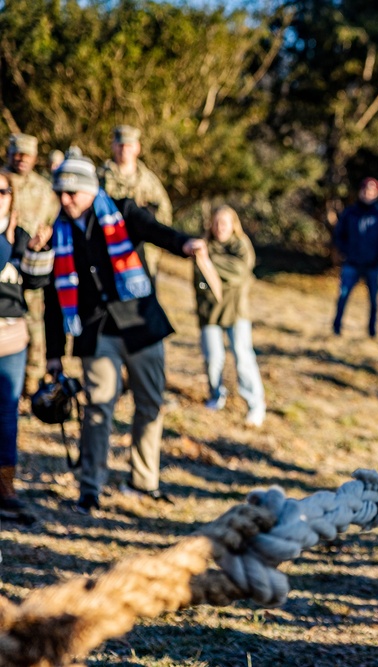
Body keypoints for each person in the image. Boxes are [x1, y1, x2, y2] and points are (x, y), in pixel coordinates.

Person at [41, 152, 205, 515]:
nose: (65, 200)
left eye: (72, 193)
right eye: (60, 193)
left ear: (89, 189)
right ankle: (90, 488)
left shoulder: (122, 211)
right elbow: (53, 299)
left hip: (141, 323)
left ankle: (143, 483)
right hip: (95, 331)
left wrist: (186, 244)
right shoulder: (58, 232)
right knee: (99, 406)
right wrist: (54, 353)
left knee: (150, 404)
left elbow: (157, 231)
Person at [194, 206, 266, 427]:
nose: (220, 227)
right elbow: (200, 280)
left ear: (233, 224)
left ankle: (256, 404)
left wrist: (209, 263)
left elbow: (240, 272)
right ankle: (216, 395)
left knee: (243, 358)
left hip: (236, 312)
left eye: (224, 222)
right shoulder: (203, 246)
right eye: (216, 222)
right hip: (210, 313)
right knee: (213, 358)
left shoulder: (241, 246)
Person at [0, 171, 44, 520]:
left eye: (2, 192)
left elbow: (35, 281)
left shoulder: (20, 235)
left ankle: (6, 488)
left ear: (12, 196)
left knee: (8, 413)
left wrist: (38, 252)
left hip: (11, 337)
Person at [2, 133, 60, 396]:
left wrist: (43, 244)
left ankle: (31, 384)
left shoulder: (44, 189)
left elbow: (53, 223)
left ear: (36, 157)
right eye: (17, 152)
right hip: (4, 267)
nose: (21, 158)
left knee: (35, 324)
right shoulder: (2, 181)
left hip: (32, 265)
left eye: (27, 154)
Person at [99, 125, 173, 279]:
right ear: (113, 146)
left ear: (137, 148)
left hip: (144, 256)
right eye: (120, 145)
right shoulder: (100, 178)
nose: (124, 149)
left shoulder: (149, 181)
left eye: (129, 145)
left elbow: (164, 215)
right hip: (108, 251)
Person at [332, 177, 378, 338]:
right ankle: (336, 328)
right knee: (343, 296)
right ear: (360, 192)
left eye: (372, 191)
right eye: (365, 190)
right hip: (351, 263)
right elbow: (339, 234)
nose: (368, 193)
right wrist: (345, 251)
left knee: (374, 300)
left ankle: (372, 331)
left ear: (377, 193)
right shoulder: (350, 213)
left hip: (373, 265)